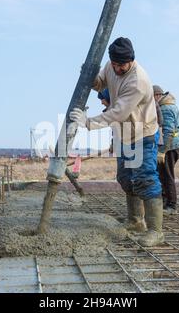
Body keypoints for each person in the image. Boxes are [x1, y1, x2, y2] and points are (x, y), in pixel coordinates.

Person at [70, 37, 164, 247]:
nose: (118, 69)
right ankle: (135, 220)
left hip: (142, 134)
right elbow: (101, 83)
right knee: (125, 178)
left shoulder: (137, 81)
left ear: (131, 60)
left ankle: (156, 231)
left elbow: (118, 112)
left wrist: (88, 122)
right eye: (114, 64)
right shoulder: (111, 66)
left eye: (122, 65)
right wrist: (90, 76)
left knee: (145, 179)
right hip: (124, 134)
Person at [153, 85, 179, 214]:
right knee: (163, 175)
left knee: (167, 176)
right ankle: (165, 203)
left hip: (170, 148)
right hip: (171, 146)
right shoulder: (167, 106)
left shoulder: (165, 108)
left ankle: (171, 205)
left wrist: (162, 151)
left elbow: (168, 131)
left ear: (157, 95)